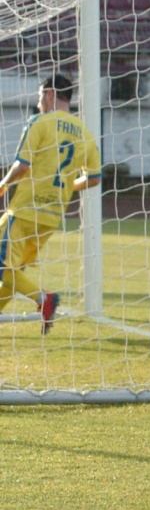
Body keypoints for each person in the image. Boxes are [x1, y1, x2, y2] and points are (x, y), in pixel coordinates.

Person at [0, 74, 102, 334]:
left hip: (24, 208)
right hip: (52, 215)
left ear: (48, 94)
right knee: (14, 272)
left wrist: (3, 185)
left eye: (38, 98)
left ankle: (43, 298)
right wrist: (70, 185)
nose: (37, 105)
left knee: (4, 267)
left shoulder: (40, 122)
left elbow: (21, 166)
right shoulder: (84, 133)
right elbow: (94, 178)